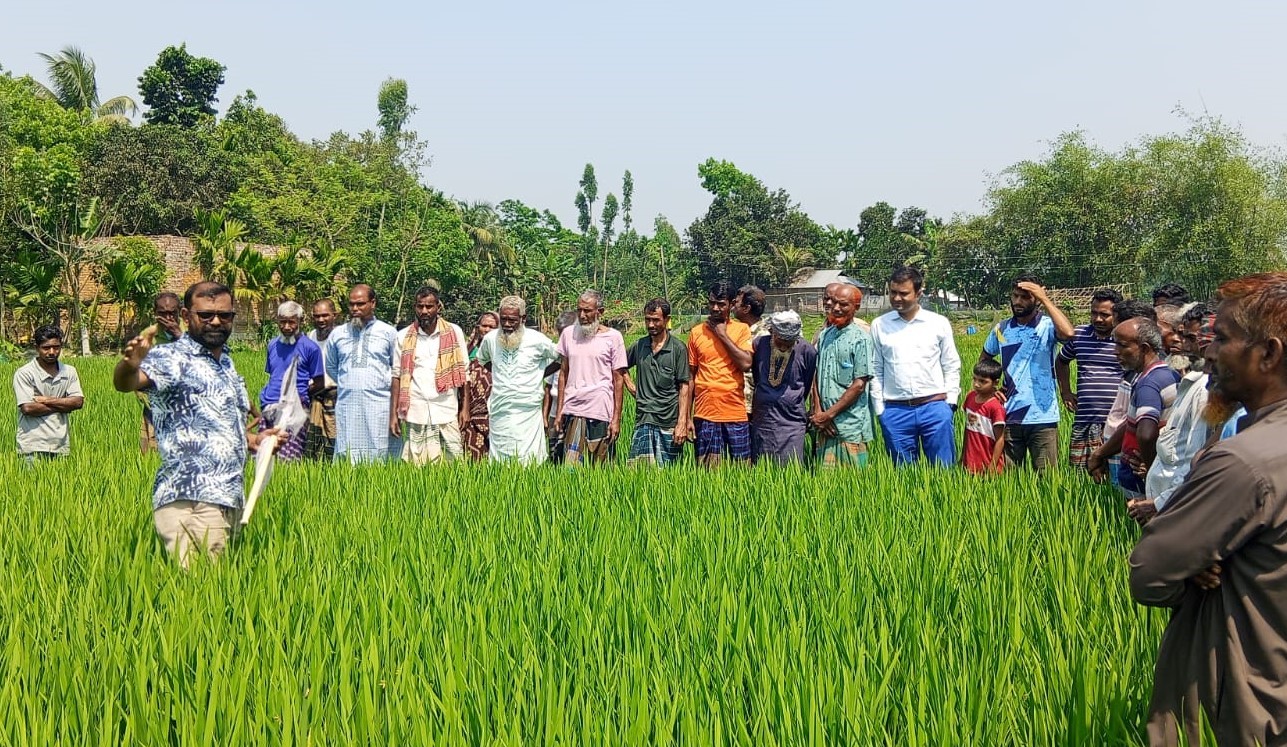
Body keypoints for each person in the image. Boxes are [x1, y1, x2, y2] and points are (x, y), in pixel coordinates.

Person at [1130, 272, 1287, 746]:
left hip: (1243, 700)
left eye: (1222, 338)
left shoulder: (1243, 461)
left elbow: (1151, 573)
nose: (1209, 352)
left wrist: (1199, 562)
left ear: (1269, 354)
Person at [111, 281, 280, 567]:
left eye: (224, 315)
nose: (216, 321)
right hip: (193, 499)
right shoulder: (172, 357)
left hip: (228, 496)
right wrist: (129, 364)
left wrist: (257, 441)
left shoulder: (226, 363)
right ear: (187, 317)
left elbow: (224, 427)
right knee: (199, 592)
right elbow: (126, 383)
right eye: (206, 315)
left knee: (216, 591)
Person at [980, 273, 1075, 471]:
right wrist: (991, 390)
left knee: (1047, 478)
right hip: (1009, 413)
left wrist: (1045, 298)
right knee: (1007, 479)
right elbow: (985, 359)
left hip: (1043, 416)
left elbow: (1067, 333)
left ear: (1037, 299)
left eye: (1025, 297)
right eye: (1015, 296)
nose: (1018, 302)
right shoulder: (1001, 329)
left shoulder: (1047, 326)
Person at [869, 266, 961, 466]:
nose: (896, 298)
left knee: (943, 471)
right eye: (893, 292)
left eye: (903, 293)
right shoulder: (879, 324)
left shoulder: (938, 323)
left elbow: (951, 364)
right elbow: (875, 368)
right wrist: (880, 410)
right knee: (904, 477)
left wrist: (950, 403)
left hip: (934, 407)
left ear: (919, 293)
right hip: (895, 410)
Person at [1129, 304, 1212, 524]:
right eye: (1183, 335)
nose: (1180, 343)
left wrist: (1161, 503)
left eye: (1191, 338)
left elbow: (1196, 461)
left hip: (1180, 512)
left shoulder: (1205, 390)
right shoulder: (1190, 383)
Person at [1088, 318, 1179, 497]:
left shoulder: (1148, 384)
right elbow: (1134, 425)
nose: (1116, 352)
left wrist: (1152, 467)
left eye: (1122, 346)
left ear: (1144, 348)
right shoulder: (1168, 373)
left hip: (1140, 478)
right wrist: (1100, 453)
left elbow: (1145, 434)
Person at [388, 287, 468, 465]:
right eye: (420, 306)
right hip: (416, 409)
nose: (424, 311)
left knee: (453, 461)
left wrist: (465, 409)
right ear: (415, 307)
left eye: (429, 306)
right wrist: (393, 414)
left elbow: (464, 373)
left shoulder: (454, 332)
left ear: (438, 307)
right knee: (417, 464)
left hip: (446, 408)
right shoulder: (404, 336)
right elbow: (396, 376)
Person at [476, 296, 560, 463]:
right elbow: (483, 360)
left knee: (529, 461)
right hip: (500, 410)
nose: (507, 324)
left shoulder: (536, 340)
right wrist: (501, 374)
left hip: (527, 412)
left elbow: (562, 357)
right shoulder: (491, 339)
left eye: (512, 320)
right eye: (504, 319)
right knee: (500, 462)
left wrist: (540, 373)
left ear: (523, 319)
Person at [324, 284, 400, 464]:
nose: (355, 309)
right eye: (351, 305)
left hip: (379, 407)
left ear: (373, 303)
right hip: (348, 406)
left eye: (360, 304)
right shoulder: (338, 334)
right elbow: (332, 367)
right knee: (348, 454)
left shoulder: (388, 333)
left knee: (379, 456)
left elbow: (396, 368)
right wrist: (352, 384)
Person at [554, 291, 627, 466]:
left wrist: (616, 418)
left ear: (600, 312)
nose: (582, 315)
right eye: (579, 310)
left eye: (587, 311)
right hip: (573, 409)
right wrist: (559, 411)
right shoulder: (568, 334)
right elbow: (563, 373)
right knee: (571, 468)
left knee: (600, 466)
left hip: (600, 410)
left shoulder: (613, 337)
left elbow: (618, 379)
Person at [1056, 288, 1124, 471]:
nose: (1098, 319)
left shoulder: (1124, 339)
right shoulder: (1079, 335)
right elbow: (1061, 361)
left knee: (1115, 475)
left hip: (1117, 422)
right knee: (1081, 474)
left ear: (1116, 314)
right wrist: (1066, 392)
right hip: (1085, 419)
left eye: (1104, 314)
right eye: (1094, 313)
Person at [687, 281, 754, 466]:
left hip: (735, 411)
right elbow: (690, 377)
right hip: (705, 412)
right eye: (712, 303)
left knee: (742, 470)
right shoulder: (696, 333)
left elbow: (746, 363)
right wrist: (686, 418)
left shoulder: (741, 330)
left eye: (721, 304)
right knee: (708, 471)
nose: (715, 308)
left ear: (732, 305)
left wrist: (722, 334)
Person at [812, 283, 875, 468]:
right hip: (824, 423)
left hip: (850, 424)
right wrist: (818, 412)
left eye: (844, 304)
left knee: (853, 484)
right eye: (834, 303)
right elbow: (816, 375)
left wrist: (829, 415)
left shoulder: (861, 339)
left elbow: (859, 385)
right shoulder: (825, 335)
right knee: (824, 482)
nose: (837, 308)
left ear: (856, 307)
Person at [624, 298, 691, 466]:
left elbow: (684, 386)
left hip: (668, 421)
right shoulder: (640, 346)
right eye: (647, 319)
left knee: (669, 475)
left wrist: (682, 422)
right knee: (638, 474)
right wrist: (631, 387)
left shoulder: (678, 349)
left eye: (656, 320)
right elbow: (619, 366)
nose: (651, 325)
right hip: (644, 419)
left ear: (667, 320)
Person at [260, 301, 324, 460]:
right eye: (283, 322)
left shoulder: (311, 348)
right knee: (265, 455)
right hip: (269, 405)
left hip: (295, 409)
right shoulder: (272, 345)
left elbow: (319, 382)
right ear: (278, 321)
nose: (287, 326)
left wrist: (300, 397)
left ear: (300, 322)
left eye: (291, 322)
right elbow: (274, 374)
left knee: (290, 457)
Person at [749, 311, 816, 464]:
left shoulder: (807, 351)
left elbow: (807, 383)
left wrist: (791, 400)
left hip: (792, 422)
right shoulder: (759, 344)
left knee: (790, 469)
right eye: (780, 342)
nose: (784, 347)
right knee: (762, 467)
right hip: (763, 419)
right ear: (772, 332)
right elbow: (757, 375)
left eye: (789, 343)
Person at [14, 325, 83, 465]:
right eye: (46, 348)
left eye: (56, 347)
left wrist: (46, 400)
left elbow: (78, 402)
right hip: (32, 447)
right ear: (36, 347)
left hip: (61, 446)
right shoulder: (25, 373)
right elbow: (28, 409)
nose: (52, 352)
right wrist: (64, 404)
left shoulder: (69, 372)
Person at [138, 292, 183, 453]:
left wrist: (178, 335)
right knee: (150, 462)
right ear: (155, 313)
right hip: (155, 410)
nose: (168, 318)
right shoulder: (147, 337)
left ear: (181, 312)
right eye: (162, 313)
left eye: (172, 313)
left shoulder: (192, 334)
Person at [304, 299, 340, 460]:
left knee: (333, 439)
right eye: (317, 316)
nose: (321, 320)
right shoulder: (310, 336)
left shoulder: (341, 337)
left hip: (335, 396)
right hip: (315, 395)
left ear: (335, 316)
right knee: (313, 443)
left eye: (325, 315)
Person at [462, 311, 499, 460]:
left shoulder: (501, 352)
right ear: (478, 328)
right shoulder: (468, 350)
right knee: (472, 456)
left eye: (492, 327)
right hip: (470, 411)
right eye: (484, 326)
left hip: (493, 411)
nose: (487, 330)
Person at [961, 359, 1007, 475]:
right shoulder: (970, 397)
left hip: (988, 463)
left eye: (983, 381)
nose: (976, 384)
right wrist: (963, 457)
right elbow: (968, 430)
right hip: (970, 462)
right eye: (974, 379)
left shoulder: (995, 406)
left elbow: (1000, 439)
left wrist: (992, 466)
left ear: (995, 383)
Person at [543, 310, 577, 463]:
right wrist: (544, 415)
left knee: (569, 452)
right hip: (554, 413)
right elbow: (548, 388)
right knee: (554, 453)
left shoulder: (579, 355)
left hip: (572, 411)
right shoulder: (557, 355)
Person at [735, 284, 768, 415]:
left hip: (754, 407)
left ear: (746, 308)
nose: (733, 306)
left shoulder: (763, 337)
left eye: (736, 303)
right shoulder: (738, 331)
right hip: (738, 404)